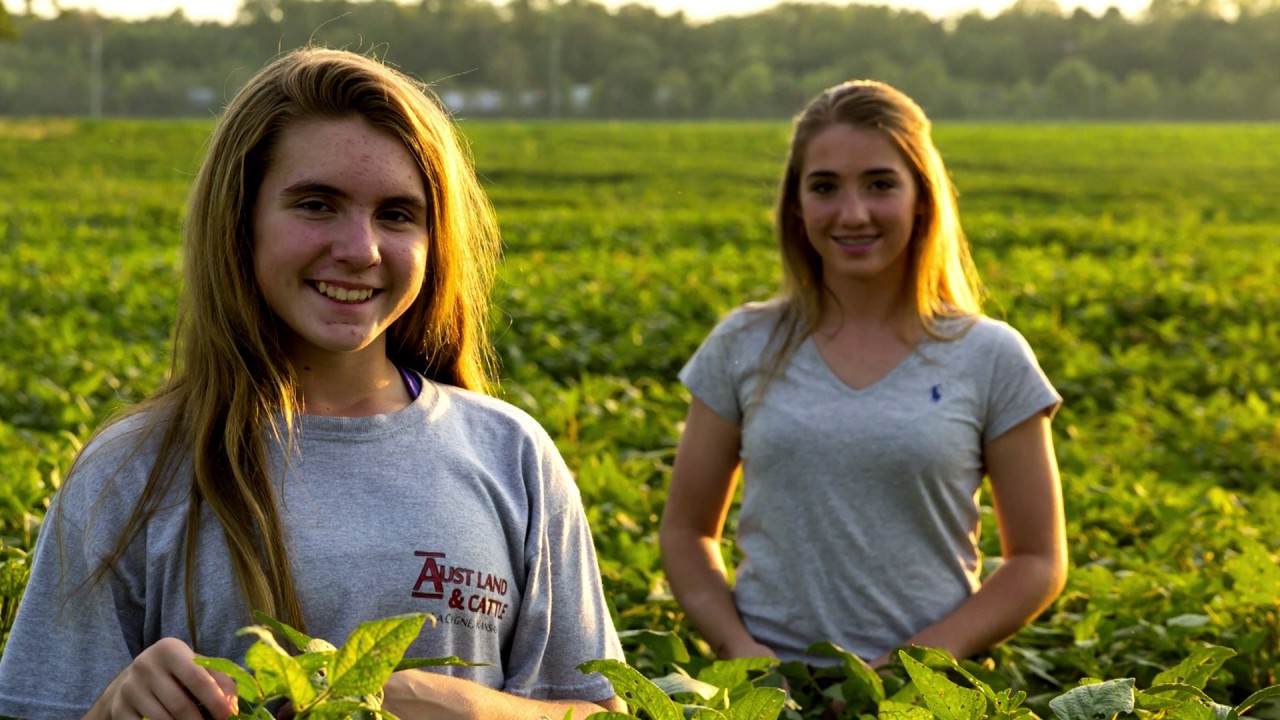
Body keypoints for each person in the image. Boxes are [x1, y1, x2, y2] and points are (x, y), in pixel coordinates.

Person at [0, 47, 624, 720]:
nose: (360, 249)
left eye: (397, 214)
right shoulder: (130, 470)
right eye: (318, 204)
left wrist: (462, 708)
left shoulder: (511, 454)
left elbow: (599, 710)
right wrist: (113, 711)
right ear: (240, 221)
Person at [659, 80, 1067, 676]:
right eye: (824, 187)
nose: (852, 214)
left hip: (922, 700)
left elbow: (1038, 559)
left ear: (922, 198)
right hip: (771, 696)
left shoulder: (990, 356)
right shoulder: (744, 344)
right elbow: (687, 531)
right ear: (796, 206)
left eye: (880, 184)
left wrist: (920, 663)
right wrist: (741, 655)